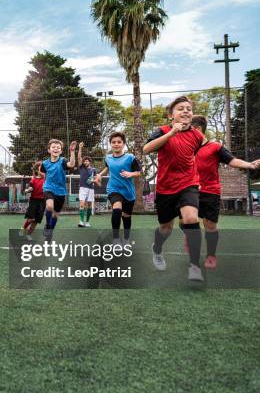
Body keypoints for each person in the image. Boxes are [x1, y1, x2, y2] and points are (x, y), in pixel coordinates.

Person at [143, 96, 205, 281]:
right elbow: (146, 149)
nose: (186, 111)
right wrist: (171, 134)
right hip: (165, 187)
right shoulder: (161, 131)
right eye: (180, 109)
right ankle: (157, 248)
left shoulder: (198, 136)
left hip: (188, 184)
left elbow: (198, 156)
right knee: (165, 228)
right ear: (171, 116)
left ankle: (194, 266)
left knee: (191, 218)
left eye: (188, 108)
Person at [188, 115, 260, 268]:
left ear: (197, 130)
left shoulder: (215, 147)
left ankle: (211, 255)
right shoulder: (186, 148)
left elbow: (232, 160)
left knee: (210, 226)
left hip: (210, 191)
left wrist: (250, 165)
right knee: (188, 220)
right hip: (191, 191)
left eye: (189, 130)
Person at [95, 132, 142, 245]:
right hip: (113, 189)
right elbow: (107, 168)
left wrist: (131, 174)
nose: (116, 144)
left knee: (126, 217)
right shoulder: (108, 158)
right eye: (113, 142)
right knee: (117, 210)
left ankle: (126, 238)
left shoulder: (130, 158)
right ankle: (116, 239)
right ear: (111, 144)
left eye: (119, 142)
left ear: (124, 144)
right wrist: (99, 175)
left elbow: (139, 172)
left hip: (128, 192)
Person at [40, 139, 77, 241]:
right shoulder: (45, 163)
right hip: (48, 188)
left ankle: (50, 233)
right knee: (49, 206)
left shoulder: (63, 161)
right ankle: (47, 225)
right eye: (53, 147)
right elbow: (42, 172)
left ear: (60, 151)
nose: (56, 148)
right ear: (49, 150)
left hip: (60, 191)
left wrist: (72, 152)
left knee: (55, 214)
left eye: (58, 147)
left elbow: (72, 164)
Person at [19, 161, 45, 240]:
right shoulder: (33, 180)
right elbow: (30, 187)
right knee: (31, 219)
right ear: (37, 170)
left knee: (36, 220)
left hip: (42, 201)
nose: (44, 170)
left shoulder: (46, 178)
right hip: (34, 200)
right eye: (41, 168)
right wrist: (27, 190)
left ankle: (29, 234)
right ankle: (23, 228)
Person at [77, 142, 98, 227]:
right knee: (82, 204)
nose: (86, 162)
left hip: (91, 189)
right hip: (82, 188)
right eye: (85, 161)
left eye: (87, 161)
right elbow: (78, 158)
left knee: (89, 205)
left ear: (90, 162)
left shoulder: (93, 170)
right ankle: (81, 221)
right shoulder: (81, 167)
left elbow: (96, 178)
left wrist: (93, 180)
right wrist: (80, 148)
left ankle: (87, 222)